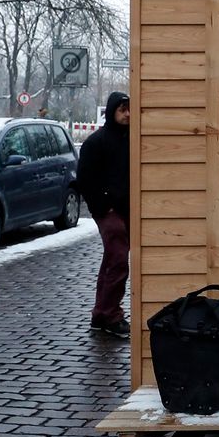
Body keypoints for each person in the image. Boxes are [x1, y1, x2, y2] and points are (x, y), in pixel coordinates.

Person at [77, 91, 132, 338]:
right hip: (109, 212)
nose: (127, 114)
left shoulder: (131, 139)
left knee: (112, 261)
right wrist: (103, 206)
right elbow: (85, 180)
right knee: (118, 261)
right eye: (122, 110)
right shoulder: (95, 142)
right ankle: (111, 314)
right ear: (112, 112)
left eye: (129, 109)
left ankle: (101, 314)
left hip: (125, 209)